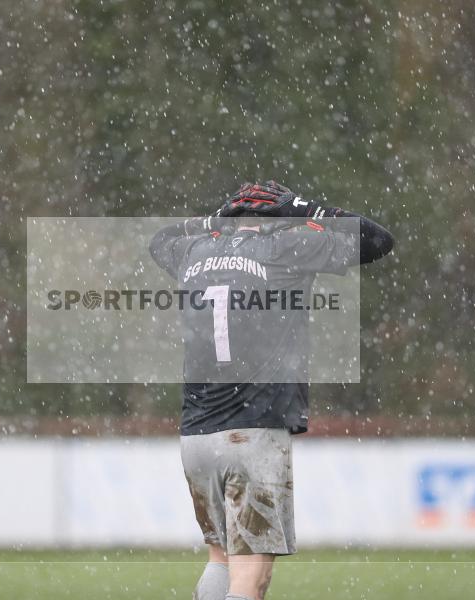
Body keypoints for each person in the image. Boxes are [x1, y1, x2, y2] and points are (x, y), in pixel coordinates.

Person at [149, 181, 394, 600]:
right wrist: (306, 209)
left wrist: (215, 219)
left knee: (220, 558)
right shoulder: (288, 246)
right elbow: (378, 240)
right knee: (251, 580)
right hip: (254, 431)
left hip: (196, 434)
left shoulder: (195, 251)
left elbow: (159, 240)